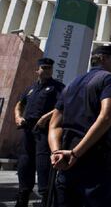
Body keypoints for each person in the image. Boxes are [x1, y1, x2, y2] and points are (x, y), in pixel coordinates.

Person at [48, 45, 111, 206]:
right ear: (103, 59)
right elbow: (106, 116)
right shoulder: (109, 80)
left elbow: (54, 124)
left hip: (66, 161)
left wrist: (56, 152)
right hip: (94, 161)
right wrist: (76, 153)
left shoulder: (71, 84)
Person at [14, 58, 65, 207]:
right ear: (37, 70)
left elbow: (62, 106)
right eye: (44, 67)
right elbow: (19, 104)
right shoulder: (30, 88)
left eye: (50, 67)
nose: (48, 70)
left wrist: (45, 117)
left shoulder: (57, 87)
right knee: (24, 163)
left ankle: (45, 197)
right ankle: (23, 195)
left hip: (44, 130)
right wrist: (18, 116)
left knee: (43, 164)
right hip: (28, 130)